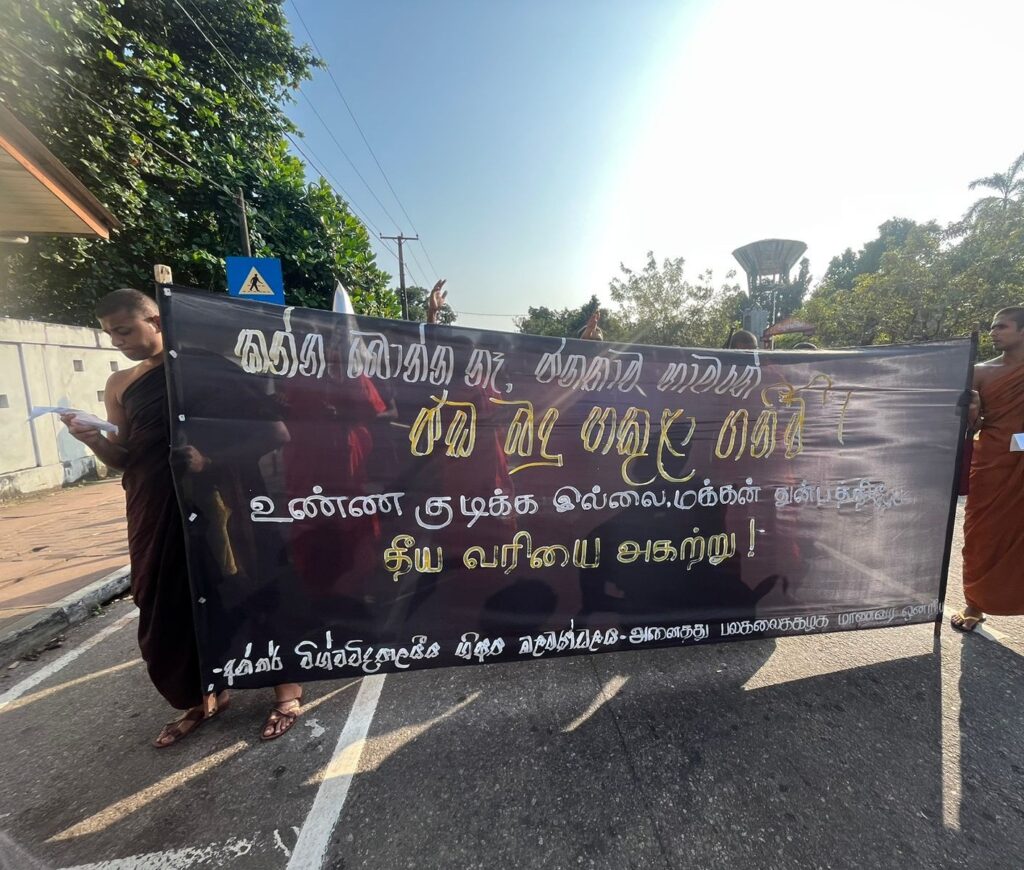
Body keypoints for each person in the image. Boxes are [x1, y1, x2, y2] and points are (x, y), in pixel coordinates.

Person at [62, 288, 303, 745]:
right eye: (110, 334)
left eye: (124, 330)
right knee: (168, 598)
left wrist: (210, 461)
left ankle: (286, 690)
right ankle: (206, 694)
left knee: (249, 588)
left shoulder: (206, 368)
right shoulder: (121, 384)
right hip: (155, 505)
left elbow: (275, 434)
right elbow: (125, 456)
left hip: (222, 504)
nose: (117, 341)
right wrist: (93, 440)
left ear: (155, 320)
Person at [951, 306, 1024, 631]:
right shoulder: (980, 371)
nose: (994, 332)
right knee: (981, 535)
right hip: (992, 462)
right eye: (992, 327)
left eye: (1002, 327)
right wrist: (972, 412)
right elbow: (972, 425)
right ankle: (976, 603)